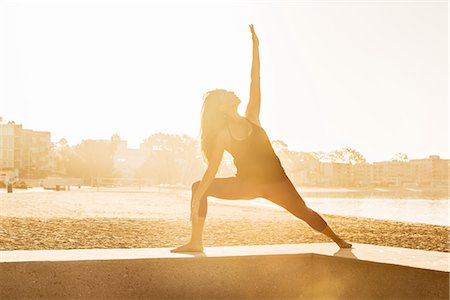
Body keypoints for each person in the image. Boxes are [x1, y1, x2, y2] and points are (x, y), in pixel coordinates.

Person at [171, 24, 352, 253]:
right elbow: (212, 169)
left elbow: (254, 79)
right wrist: (197, 196)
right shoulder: (223, 136)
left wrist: (256, 47)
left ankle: (337, 240)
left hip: (277, 183)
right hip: (246, 185)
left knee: (303, 211)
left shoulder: (252, 117)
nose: (232, 93)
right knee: (199, 187)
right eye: (227, 95)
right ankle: (196, 241)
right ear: (222, 107)